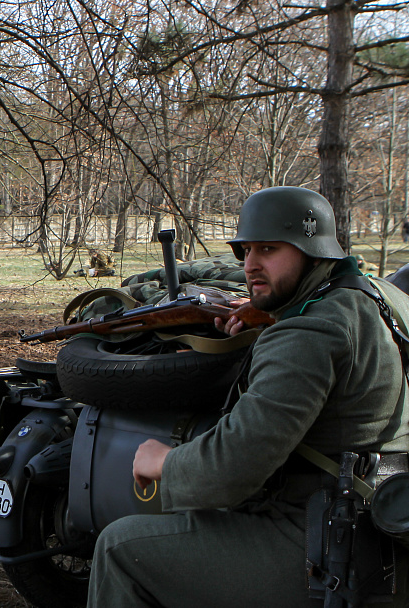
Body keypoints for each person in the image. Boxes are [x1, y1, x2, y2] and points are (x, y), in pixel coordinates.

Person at [89, 186, 409, 607]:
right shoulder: (383, 296)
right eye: (245, 250)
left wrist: (164, 461)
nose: (251, 265)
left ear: (313, 253)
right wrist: (274, 315)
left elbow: (230, 470)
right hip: (386, 525)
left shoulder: (308, 333)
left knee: (120, 549)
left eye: (270, 249)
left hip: (329, 544)